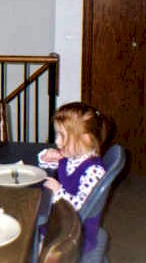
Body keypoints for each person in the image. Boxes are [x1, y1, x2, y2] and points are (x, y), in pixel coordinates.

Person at [39, 102, 113, 254]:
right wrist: (48, 158)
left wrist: (58, 192)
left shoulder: (93, 171)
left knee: (28, 239)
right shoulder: (72, 156)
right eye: (57, 134)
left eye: (63, 136)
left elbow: (82, 206)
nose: (57, 141)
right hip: (60, 220)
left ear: (85, 139)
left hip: (77, 234)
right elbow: (57, 168)